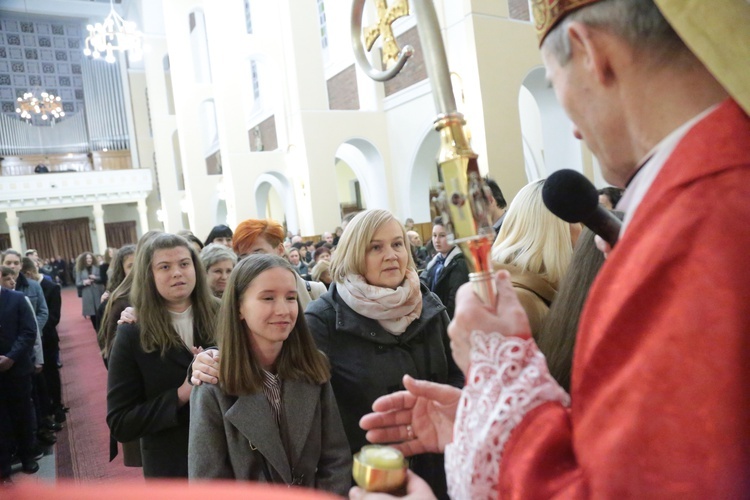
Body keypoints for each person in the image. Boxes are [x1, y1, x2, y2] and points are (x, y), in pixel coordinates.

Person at [354, 0, 750, 497]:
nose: (573, 127)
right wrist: (491, 423)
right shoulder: (712, 191)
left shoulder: (698, 222)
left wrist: (499, 372)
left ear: (590, 52)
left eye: (552, 78)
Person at [189, 254, 351, 493]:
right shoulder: (213, 382)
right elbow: (208, 484)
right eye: (267, 298)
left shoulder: (313, 366)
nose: (283, 310)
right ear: (239, 307)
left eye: (290, 298)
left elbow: (336, 458)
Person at [107, 233, 220, 478]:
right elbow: (120, 423)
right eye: (165, 267)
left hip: (229, 455)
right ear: (150, 274)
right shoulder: (133, 331)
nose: (177, 273)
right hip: (172, 463)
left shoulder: (224, 314)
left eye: (184, 264)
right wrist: (181, 394)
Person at [490, 179, 578, 335]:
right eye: (576, 219)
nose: (582, 229)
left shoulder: (539, 291)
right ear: (557, 231)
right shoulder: (519, 303)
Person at [232, 219, 326, 310]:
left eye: (258, 253)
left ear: (280, 250)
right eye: (244, 257)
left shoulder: (315, 291)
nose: (251, 262)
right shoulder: (238, 297)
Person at [0, 276, 39, 481]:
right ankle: (4, 465)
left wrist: (11, 357)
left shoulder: (16, 298)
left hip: (17, 369)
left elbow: (28, 331)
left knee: (22, 414)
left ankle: (27, 457)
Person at [419, 217, 469, 319]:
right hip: (433, 316)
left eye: (442, 235)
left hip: (447, 320)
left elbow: (454, 303)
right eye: (434, 235)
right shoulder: (434, 261)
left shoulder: (460, 264)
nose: (436, 240)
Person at [75, 252, 105, 331]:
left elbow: (102, 278)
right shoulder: (80, 270)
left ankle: (102, 330)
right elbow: (77, 283)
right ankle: (97, 330)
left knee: (101, 312)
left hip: (98, 292)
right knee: (92, 314)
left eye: (90, 258)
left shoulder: (97, 267)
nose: (89, 260)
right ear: (84, 260)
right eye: (87, 258)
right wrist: (84, 282)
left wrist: (95, 277)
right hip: (87, 293)